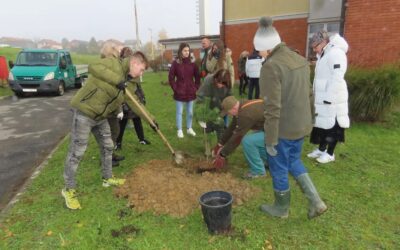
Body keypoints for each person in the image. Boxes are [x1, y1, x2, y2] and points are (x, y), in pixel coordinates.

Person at [62, 51, 156, 210]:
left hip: (101, 116)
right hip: (85, 112)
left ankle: (107, 177)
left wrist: (152, 121)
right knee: (77, 152)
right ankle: (68, 189)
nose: (141, 74)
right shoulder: (113, 63)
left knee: (108, 146)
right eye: (141, 70)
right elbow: (93, 67)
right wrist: (117, 80)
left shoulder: (130, 82)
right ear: (134, 63)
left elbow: (136, 104)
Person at [254, 17, 327, 219]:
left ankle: (281, 208)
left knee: (278, 166)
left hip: (282, 129)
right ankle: (316, 201)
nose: (258, 54)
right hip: (301, 125)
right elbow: (309, 94)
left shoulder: (270, 67)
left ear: (267, 48)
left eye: (259, 50)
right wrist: (311, 119)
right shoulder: (300, 59)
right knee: (293, 160)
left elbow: (272, 107)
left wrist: (270, 140)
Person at [307, 30, 350, 164]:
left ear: (324, 42)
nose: (315, 50)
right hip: (323, 98)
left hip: (333, 99)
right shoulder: (325, 53)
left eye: (316, 47)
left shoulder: (336, 53)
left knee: (334, 127)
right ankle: (321, 149)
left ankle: (330, 153)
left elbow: (337, 77)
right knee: (323, 125)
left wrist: (329, 98)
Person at [212, 96, 268, 179]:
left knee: (248, 141)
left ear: (233, 108)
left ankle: (258, 172)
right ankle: (271, 161)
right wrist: (220, 143)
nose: (229, 114)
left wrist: (222, 154)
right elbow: (232, 128)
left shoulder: (246, 115)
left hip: (280, 131)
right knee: (255, 138)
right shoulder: (241, 106)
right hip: (270, 127)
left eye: (228, 112)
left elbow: (237, 138)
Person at [116, 47, 151, 149]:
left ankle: (141, 138)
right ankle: (118, 143)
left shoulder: (135, 72)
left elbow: (137, 85)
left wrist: (142, 96)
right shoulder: (121, 70)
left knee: (137, 118)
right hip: (125, 100)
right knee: (123, 122)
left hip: (134, 97)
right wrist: (120, 106)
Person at [99, 42, 126, 167]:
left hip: (113, 105)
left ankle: (111, 154)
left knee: (114, 130)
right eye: (117, 51)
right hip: (106, 106)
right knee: (109, 133)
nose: (120, 53)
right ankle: (106, 159)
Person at [168, 42, 201, 138]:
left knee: (190, 112)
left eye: (188, 51)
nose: (187, 52)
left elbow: (197, 77)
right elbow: (171, 78)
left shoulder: (193, 63)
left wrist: (195, 87)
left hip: (190, 92)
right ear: (180, 51)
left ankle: (189, 128)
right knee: (179, 112)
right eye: (185, 51)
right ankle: (179, 130)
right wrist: (175, 88)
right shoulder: (176, 63)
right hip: (180, 92)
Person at [196, 69, 233, 141]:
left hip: (221, 108)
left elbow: (230, 100)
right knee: (207, 129)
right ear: (215, 78)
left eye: (222, 83)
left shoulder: (228, 84)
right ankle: (208, 147)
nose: (220, 84)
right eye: (218, 82)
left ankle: (220, 147)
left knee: (221, 127)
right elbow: (200, 97)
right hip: (208, 108)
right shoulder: (208, 80)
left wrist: (222, 114)